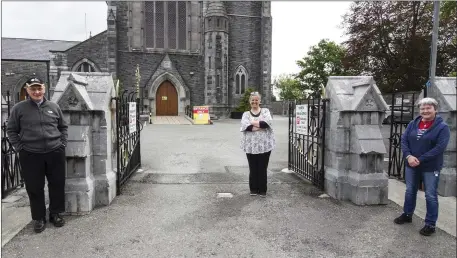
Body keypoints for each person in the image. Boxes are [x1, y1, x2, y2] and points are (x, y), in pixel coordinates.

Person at [7, 77, 68, 233]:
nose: (36, 92)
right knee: (34, 187)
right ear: (27, 90)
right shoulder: (19, 109)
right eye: (32, 89)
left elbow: (63, 127)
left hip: (55, 152)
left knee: (57, 184)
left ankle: (56, 213)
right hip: (30, 154)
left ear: (44, 88)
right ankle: (39, 218)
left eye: (39, 88)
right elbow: (11, 130)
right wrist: (20, 147)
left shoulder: (54, 107)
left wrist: (63, 144)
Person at [394, 97, 450, 236]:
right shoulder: (414, 123)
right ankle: (407, 214)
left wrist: (419, 159)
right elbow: (404, 140)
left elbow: (439, 147)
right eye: (422, 108)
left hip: (430, 166)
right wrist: (408, 156)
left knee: (430, 195)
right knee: (410, 191)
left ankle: (430, 224)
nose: (425, 111)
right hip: (411, 164)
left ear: (435, 110)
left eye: (428, 108)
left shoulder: (442, 127)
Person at [240, 92, 275, 197]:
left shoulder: (265, 111)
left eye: (256, 100)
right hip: (250, 146)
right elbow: (246, 127)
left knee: (262, 167)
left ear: (260, 101)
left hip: (265, 145)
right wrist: (260, 125)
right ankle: (254, 189)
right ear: (250, 101)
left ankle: (262, 190)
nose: (254, 102)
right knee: (253, 167)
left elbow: (268, 123)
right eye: (252, 100)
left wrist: (253, 123)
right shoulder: (246, 114)